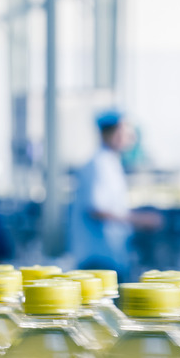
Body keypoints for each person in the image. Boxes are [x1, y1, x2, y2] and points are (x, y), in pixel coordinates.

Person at [70, 111, 159, 280]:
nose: (130, 138)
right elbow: (97, 210)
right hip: (97, 259)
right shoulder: (97, 164)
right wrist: (140, 220)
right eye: (126, 132)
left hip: (111, 256)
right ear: (114, 133)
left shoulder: (111, 162)